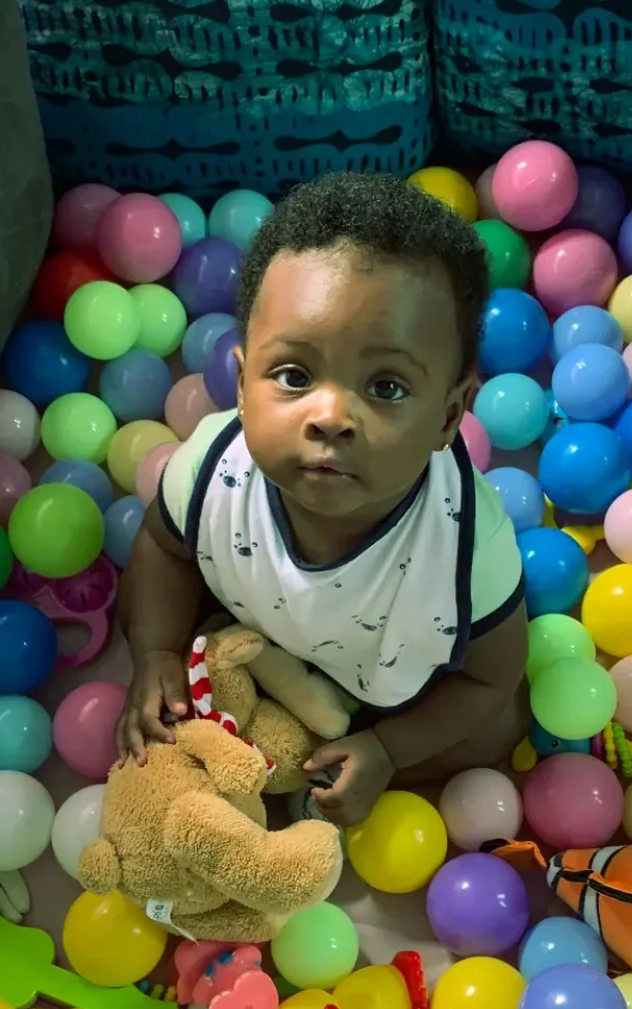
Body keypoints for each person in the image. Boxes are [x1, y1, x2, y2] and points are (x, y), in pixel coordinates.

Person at [116, 172, 528, 826]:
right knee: (142, 606)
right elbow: (164, 547)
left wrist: (391, 749)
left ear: (449, 417)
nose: (330, 415)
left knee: (498, 730)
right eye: (294, 376)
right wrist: (158, 653)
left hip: (382, 688)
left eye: (387, 387)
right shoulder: (211, 469)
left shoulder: (467, 550)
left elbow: (490, 678)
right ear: (244, 383)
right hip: (250, 630)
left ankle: (315, 769)